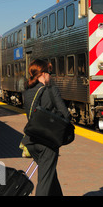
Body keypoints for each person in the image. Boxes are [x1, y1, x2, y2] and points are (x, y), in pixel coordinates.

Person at [22, 59, 70, 196]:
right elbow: (66, 115)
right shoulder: (51, 90)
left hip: (31, 141)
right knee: (44, 181)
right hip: (46, 144)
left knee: (49, 175)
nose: (51, 76)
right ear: (43, 74)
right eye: (50, 72)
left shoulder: (28, 91)